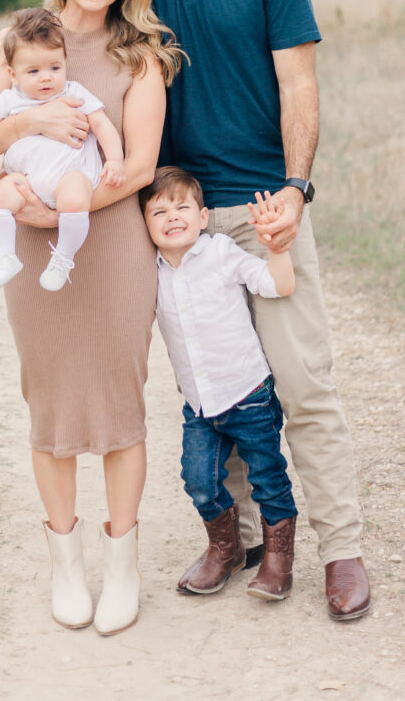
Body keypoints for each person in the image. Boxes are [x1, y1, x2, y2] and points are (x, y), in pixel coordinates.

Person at [140, 0, 371, 621]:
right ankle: (230, 538)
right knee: (216, 391)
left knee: (303, 387)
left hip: (266, 208)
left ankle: (340, 549)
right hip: (177, 222)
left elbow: (297, 86)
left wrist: (295, 191)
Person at [0, 0, 183, 635]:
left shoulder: (140, 53)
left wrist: (61, 215)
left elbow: (142, 164)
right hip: (31, 250)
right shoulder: (16, 40)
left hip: (110, 242)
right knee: (48, 397)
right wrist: (30, 126)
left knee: (120, 405)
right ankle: (65, 563)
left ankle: (121, 563)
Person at [141, 166, 299, 602]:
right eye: (159, 211)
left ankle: (278, 558)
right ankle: (225, 550)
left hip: (247, 393)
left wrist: (277, 248)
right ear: (146, 224)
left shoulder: (221, 253)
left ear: (203, 216)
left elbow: (278, 285)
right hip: (200, 404)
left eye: (182, 207)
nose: (172, 216)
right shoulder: (149, 272)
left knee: (267, 477)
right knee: (199, 480)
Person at [0, 8, 125, 291]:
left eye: (54, 68)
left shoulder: (74, 92)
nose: (46, 78)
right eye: (33, 71)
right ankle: (5, 256)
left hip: (70, 175)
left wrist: (115, 161)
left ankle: (63, 257)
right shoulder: (9, 99)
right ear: (13, 74)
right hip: (28, 181)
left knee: (74, 199)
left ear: (64, 63)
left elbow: (102, 125)